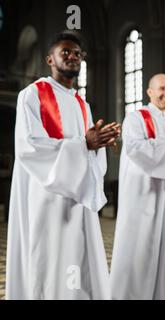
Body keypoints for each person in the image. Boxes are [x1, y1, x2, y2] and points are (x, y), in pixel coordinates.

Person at [6, 31, 120, 300]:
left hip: (78, 196)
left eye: (77, 54)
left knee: (79, 260)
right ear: (50, 59)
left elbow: (90, 147)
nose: (72, 57)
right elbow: (29, 147)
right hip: (47, 198)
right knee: (50, 259)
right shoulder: (32, 94)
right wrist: (83, 145)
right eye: (65, 52)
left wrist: (98, 144)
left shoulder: (82, 104)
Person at [110, 73, 165, 300]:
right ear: (149, 92)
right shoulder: (135, 118)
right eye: (162, 88)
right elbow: (136, 150)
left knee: (164, 253)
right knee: (138, 252)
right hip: (141, 197)